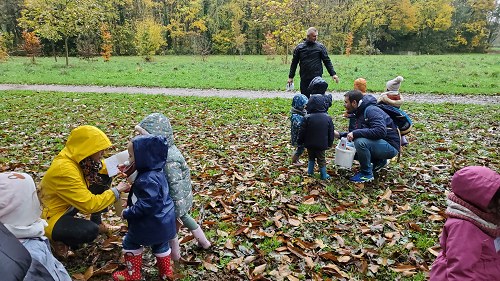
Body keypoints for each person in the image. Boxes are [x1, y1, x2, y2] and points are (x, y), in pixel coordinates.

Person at [39, 125, 130, 258]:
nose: (102, 153)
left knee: (104, 175)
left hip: (66, 206)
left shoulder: (78, 159)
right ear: (87, 150)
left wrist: (119, 166)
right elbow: (90, 204)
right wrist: (116, 191)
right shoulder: (65, 170)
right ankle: (57, 240)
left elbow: (102, 168)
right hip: (49, 217)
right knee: (89, 231)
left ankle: (98, 222)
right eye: (99, 150)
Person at [134, 113, 211, 261]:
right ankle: (204, 242)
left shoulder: (168, 158)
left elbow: (174, 183)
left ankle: (175, 256)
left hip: (174, 200)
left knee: (172, 228)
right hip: (176, 198)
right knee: (186, 219)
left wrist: (174, 204)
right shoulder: (163, 151)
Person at [112, 135, 177, 281]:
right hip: (163, 222)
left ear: (144, 157)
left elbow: (147, 205)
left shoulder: (146, 179)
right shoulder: (156, 172)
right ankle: (166, 272)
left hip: (148, 224)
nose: (128, 159)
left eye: (131, 156)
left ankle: (132, 274)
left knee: (130, 242)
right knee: (161, 244)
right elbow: (154, 196)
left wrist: (128, 212)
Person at [429, 166, 500, 280]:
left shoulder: (489, 221)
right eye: (493, 201)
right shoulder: (464, 228)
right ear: (478, 202)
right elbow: (460, 270)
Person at [0, 171, 72, 281]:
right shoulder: (28, 255)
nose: (40, 200)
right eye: (34, 195)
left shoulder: (27, 232)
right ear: (18, 209)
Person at [335, 90, 400, 183]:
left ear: (354, 103)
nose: (344, 105)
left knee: (359, 142)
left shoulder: (371, 110)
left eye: (346, 102)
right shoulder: (360, 111)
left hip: (390, 146)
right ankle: (380, 162)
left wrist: (355, 134)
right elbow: (359, 132)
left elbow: (380, 131)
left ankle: (366, 174)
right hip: (380, 143)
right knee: (350, 146)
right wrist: (339, 135)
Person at [288, 27, 339, 98]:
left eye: (316, 36)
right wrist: (291, 77)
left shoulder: (320, 47)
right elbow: (294, 63)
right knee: (305, 99)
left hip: (317, 77)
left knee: (318, 98)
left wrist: (333, 74)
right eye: (314, 36)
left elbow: (327, 61)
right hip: (304, 77)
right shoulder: (300, 48)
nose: (316, 38)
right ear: (308, 36)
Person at [297, 94, 334, 180]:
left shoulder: (307, 117)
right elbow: (330, 132)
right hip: (321, 144)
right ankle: (324, 174)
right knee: (321, 159)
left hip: (309, 143)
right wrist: (330, 143)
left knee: (311, 157)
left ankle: (310, 171)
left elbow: (302, 131)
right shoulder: (327, 118)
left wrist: (300, 141)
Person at [378, 76, 409, 146]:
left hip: (387, 117)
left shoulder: (384, 97)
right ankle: (403, 138)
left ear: (388, 88)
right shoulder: (398, 97)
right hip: (397, 117)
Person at [290, 93, 308, 166]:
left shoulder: (302, 113)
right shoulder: (295, 115)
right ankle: (294, 160)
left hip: (301, 134)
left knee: (301, 148)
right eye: (303, 105)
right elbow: (298, 125)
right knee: (299, 149)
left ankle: (297, 159)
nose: (305, 107)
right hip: (298, 135)